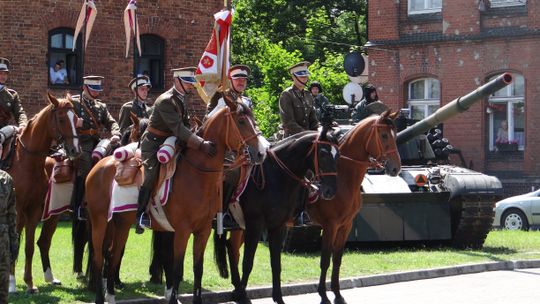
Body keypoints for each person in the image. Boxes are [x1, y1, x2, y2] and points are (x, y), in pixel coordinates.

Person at [135, 67, 217, 234]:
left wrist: (197, 132)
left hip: (172, 141)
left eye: (190, 83)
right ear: (177, 81)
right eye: (187, 83)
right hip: (153, 142)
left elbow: (184, 126)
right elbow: (178, 128)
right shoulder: (166, 100)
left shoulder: (179, 99)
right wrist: (201, 143)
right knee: (150, 173)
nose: (190, 86)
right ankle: (141, 214)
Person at [71, 76, 121, 220]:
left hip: (96, 141)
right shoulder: (74, 103)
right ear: (85, 88)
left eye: (98, 90)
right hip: (79, 141)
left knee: (113, 160)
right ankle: (80, 204)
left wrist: (115, 133)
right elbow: (63, 120)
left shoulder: (100, 107)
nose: (96, 93)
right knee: (85, 163)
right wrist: (75, 123)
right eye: (93, 89)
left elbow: (111, 122)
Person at [279, 61, 319, 137]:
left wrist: (318, 131)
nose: (304, 79)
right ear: (293, 77)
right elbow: (289, 123)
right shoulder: (287, 94)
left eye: (306, 76)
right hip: (292, 138)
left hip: (308, 137)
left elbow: (313, 120)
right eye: (301, 76)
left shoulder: (308, 95)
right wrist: (307, 134)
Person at [0, 57, 28, 143]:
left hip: (4, 131)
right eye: (0, 73)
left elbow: (20, 112)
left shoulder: (12, 95)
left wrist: (23, 124)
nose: (3, 76)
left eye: (5, 74)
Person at [0, 169, 18, 302]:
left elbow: (12, 213)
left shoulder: (6, 179)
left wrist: (14, 241)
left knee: (2, 288)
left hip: (3, 240)